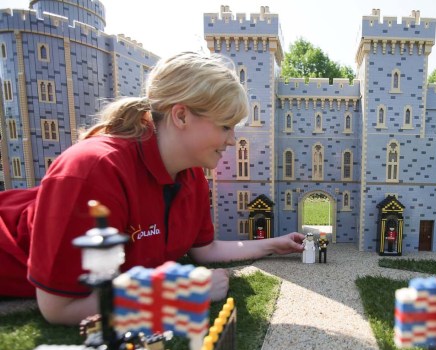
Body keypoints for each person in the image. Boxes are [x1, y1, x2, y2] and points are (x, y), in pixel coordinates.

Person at [0, 51, 305, 325]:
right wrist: (182, 293)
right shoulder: (93, 169)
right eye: (225, 125)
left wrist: (273, 244)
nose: (232, 139)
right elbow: (59, 306)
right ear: (181, 115)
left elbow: (205, 250)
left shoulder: (191, 174)